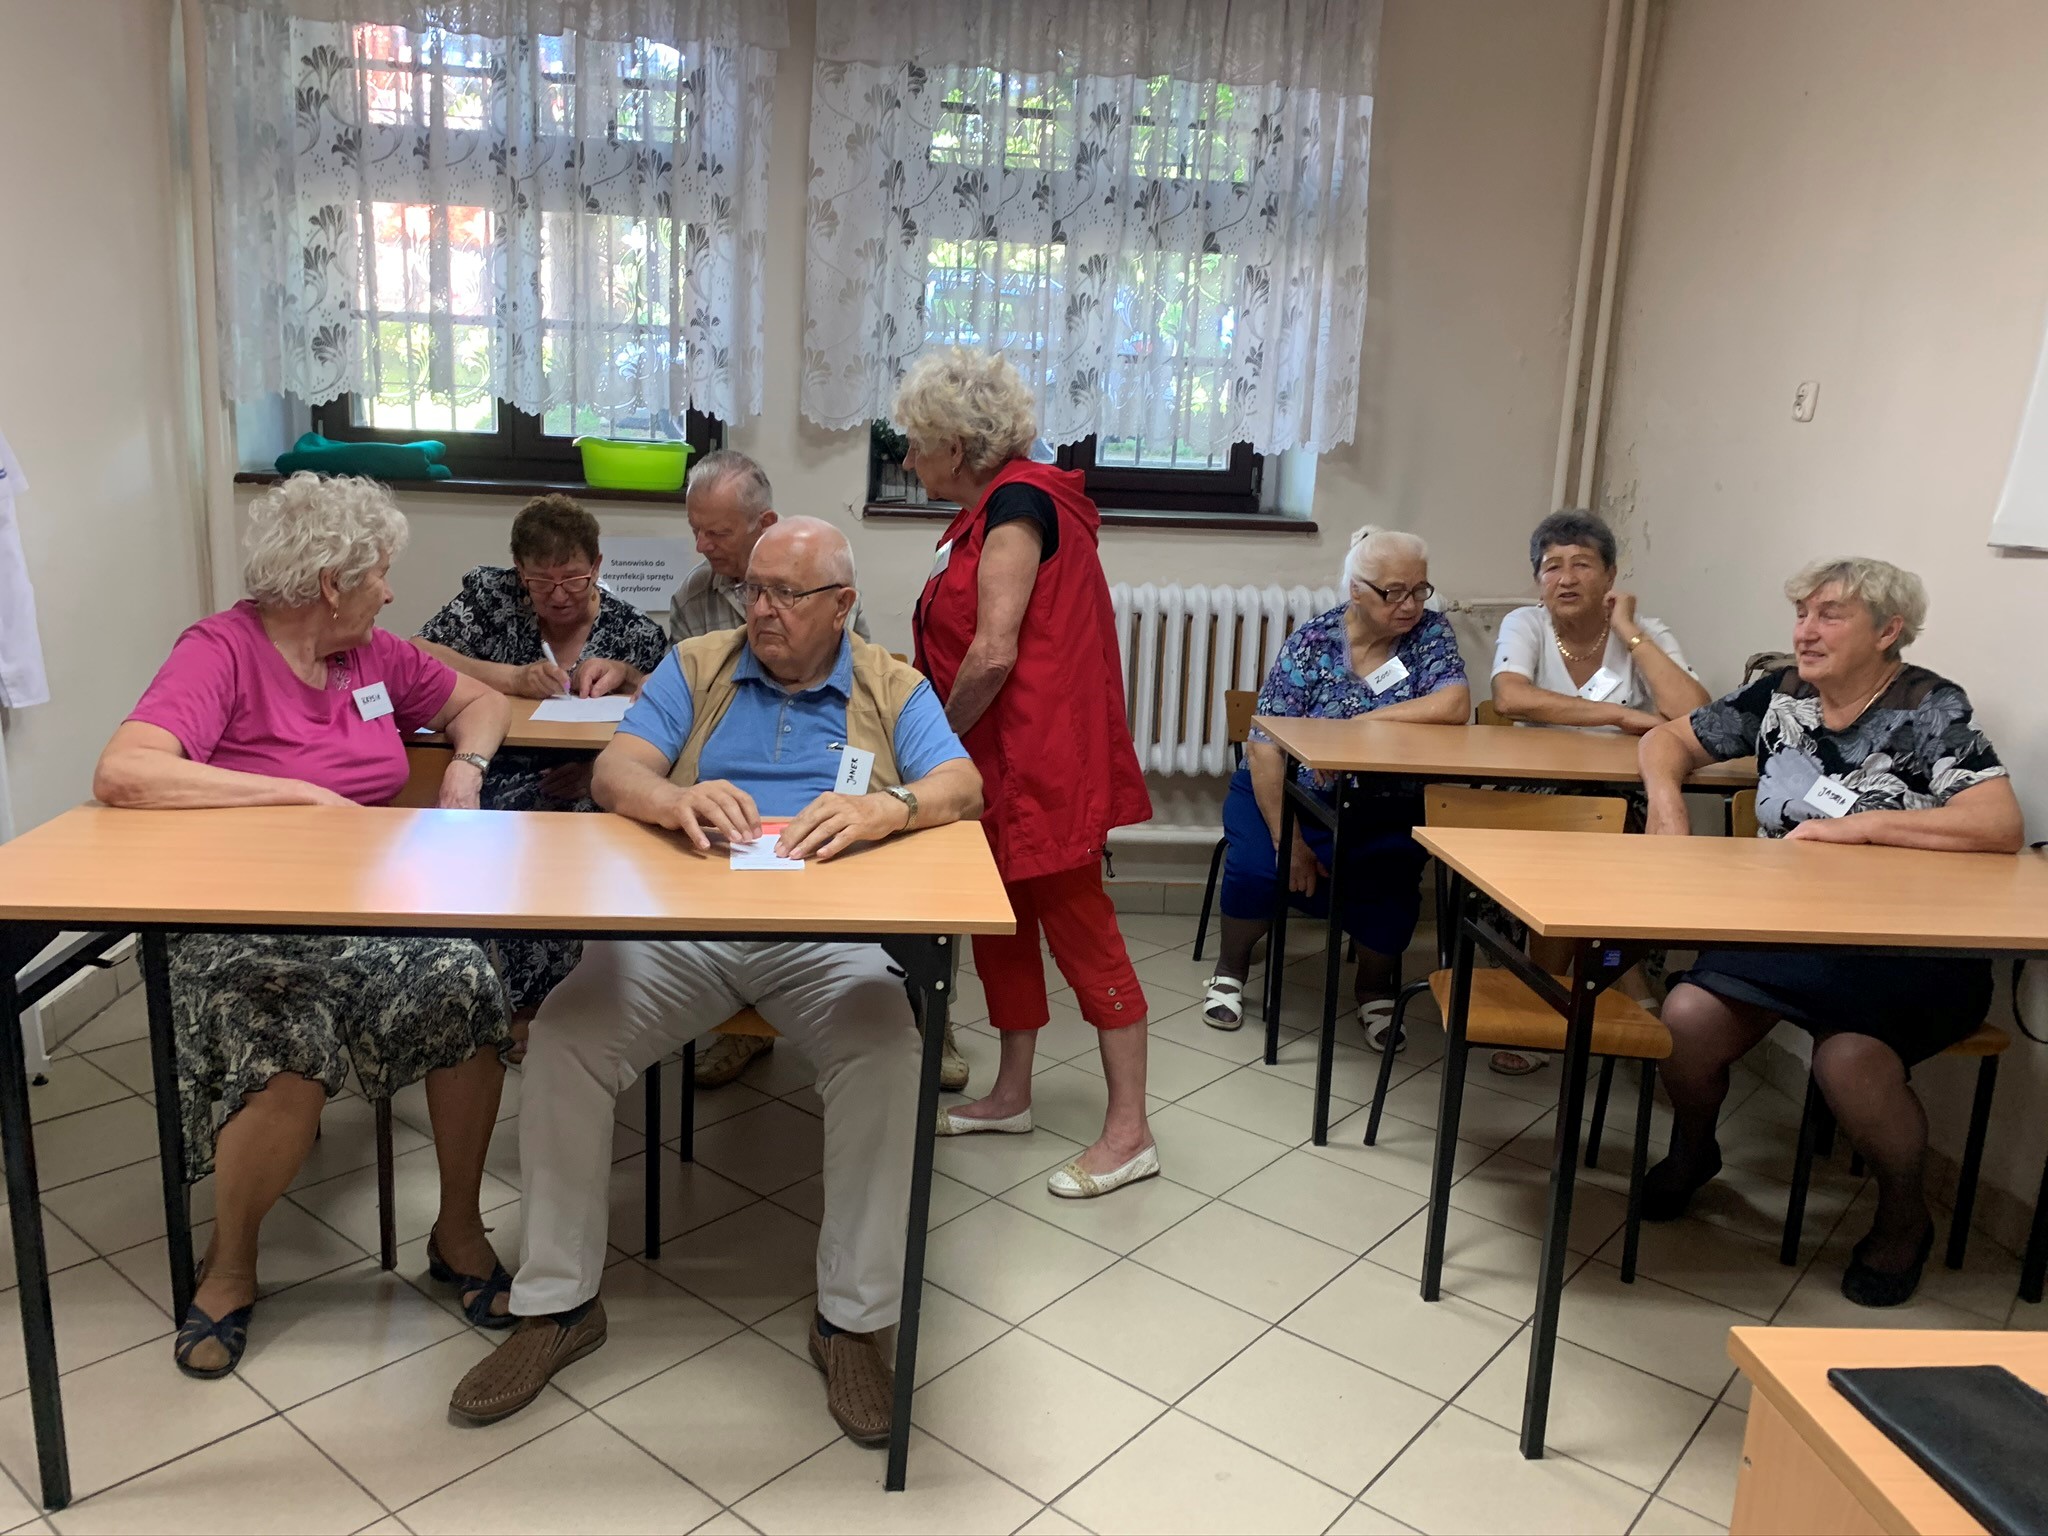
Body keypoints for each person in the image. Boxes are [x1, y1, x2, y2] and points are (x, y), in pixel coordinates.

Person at [448, 518, 983, 1443]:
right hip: (682, 929)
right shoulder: (698, 664)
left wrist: (884, 808)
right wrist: (674, 797)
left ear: (842, 606)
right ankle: (557, 1306)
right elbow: (616, 773)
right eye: (753, 590)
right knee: (567, 1038)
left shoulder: (889, 683)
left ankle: (853, 1322)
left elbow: (963, 786)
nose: (760, 609)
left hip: (824, 937)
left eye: (785, 594)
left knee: (888, 1052)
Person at [91, 472, 518, 1378]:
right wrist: (293, 795)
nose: (390, 593)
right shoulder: (221, 650)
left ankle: (457, 1229)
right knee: (287, 1038)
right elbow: (126, 771)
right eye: (381, 573)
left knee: (468, 985)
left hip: (368, 907)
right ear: (332, 582)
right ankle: (230, 1265)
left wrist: (467, 767)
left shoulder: (372, 656)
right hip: (240, 920)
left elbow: (481, 702)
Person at [1637, 557, 2023, 1307]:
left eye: (1830, 615)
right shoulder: (1782, 694)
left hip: (1904, 945)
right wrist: (1668, 805)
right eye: (1802, 614)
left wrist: (1859, 827)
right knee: (1686, 1018)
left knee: (1849, 1063)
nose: (1806, 632)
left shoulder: (1928, 706)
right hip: (1786, 931)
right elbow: (1665, 742)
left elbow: (1998, 823)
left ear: (1888, 630)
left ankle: (1904, 1214)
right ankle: (1693, 1150)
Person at [899, 348, 1159, 1199]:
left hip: (1039, 764)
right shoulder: (989, 509)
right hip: (998, 760)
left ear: (957, 446)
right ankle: (1011, 1095)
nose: (907, 460)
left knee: (1083, 934)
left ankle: (1131, 1133)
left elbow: (993, 652)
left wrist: (929, 737)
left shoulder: (1018, 507)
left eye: (916, 444)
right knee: (1000, 926)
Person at [1200, 527, 1470, 1047]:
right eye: (1394, 592)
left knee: (1389, 873)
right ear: (1357, 590)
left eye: (1419, 589)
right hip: (1290, 794)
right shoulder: (1314, 642)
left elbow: (1454, 703)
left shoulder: (1430, 634)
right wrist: (1289, 838)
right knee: (1259, 868)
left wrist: (1358, 726)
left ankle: (1375, 990)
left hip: (1384, 801)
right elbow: (1265, 743)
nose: (1410, 605)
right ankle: (1230, 969)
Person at [665, 448, 882, 1090]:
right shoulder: (694, 600)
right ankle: (741, 1023)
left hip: (824, 808)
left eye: (718, 532)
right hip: (728, 838)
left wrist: (879, 801)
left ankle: (927, 1011)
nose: (703, 546)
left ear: (764, 524)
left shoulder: (825, 583)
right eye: (696, 530)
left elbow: (861, 688)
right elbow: (675, 703)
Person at [416, 495, 668, 1020]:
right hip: (495, 771)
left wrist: (626, 679)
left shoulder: (634, 632)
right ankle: (482, 1002)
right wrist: (510, 677)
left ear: (597, 566)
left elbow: (670, 709)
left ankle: (562, 1008)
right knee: (487, 840)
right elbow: (418, 653)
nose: (557, 596)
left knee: (579, 843)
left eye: (574, 580)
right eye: (540, 581)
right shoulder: (492, 598)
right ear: (519, 571)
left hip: (587, 782)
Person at [1484, 509, 1711, 1074]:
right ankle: (1627, 992)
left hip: (1622, 792)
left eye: (1582, 564)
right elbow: (1511, 697)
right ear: (1537, 579)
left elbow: (1696, 712)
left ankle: (1555, 999)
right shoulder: (1526, 624)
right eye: (1551, 566)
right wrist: (1619, 715)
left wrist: (1629, 630)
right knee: (1573, 843)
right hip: (1536, 789)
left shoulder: (1645, 632)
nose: (1566, 578)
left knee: (1600, 844)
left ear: (1610, 576)